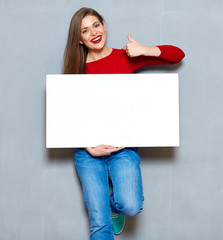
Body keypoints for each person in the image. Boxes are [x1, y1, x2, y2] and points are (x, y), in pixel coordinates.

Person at [63, 7, 185, 240]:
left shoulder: (124, 57)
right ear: (80, 39)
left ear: (104, 26)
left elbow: (178, 55)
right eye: (85, 31)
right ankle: (105, 209)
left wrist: (145, 49)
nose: (94, 33)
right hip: (88, 152)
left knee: (130, 205)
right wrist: (89, 146)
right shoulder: (76, 70)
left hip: (123, 148)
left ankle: (112, 202)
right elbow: (68, 116)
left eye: (96, 25)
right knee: (100, 225)